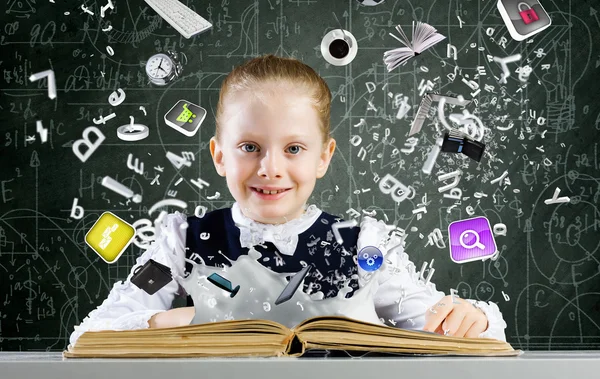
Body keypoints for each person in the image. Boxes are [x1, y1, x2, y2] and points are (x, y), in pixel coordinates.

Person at [68, 54, 507, 348]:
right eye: (249, 147)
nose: (270, 168)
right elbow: (93, 332)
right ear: (220, 155)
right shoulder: (181, 242)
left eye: (294, 149)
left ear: (323, 157)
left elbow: (437, 320)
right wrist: (193, 318)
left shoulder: (363, 247)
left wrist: (473, 321)